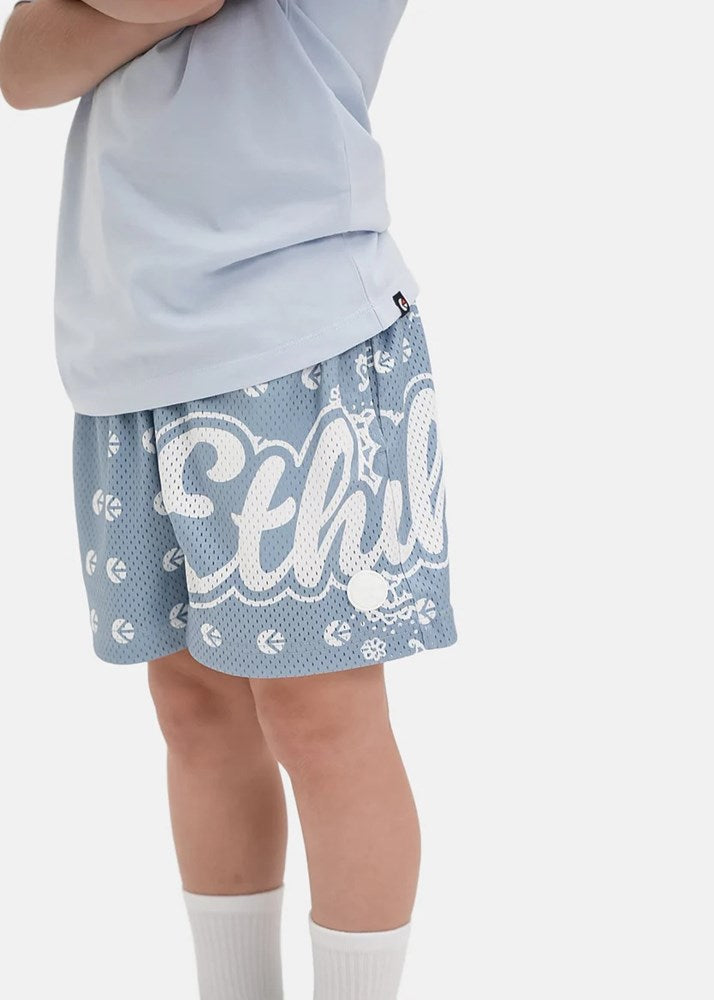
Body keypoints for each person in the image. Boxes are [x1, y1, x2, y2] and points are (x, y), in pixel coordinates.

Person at [0, 1, 457, 997]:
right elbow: (23, 67)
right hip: (128, 343)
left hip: (293, 327)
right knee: (194, 705)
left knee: (320, 715)